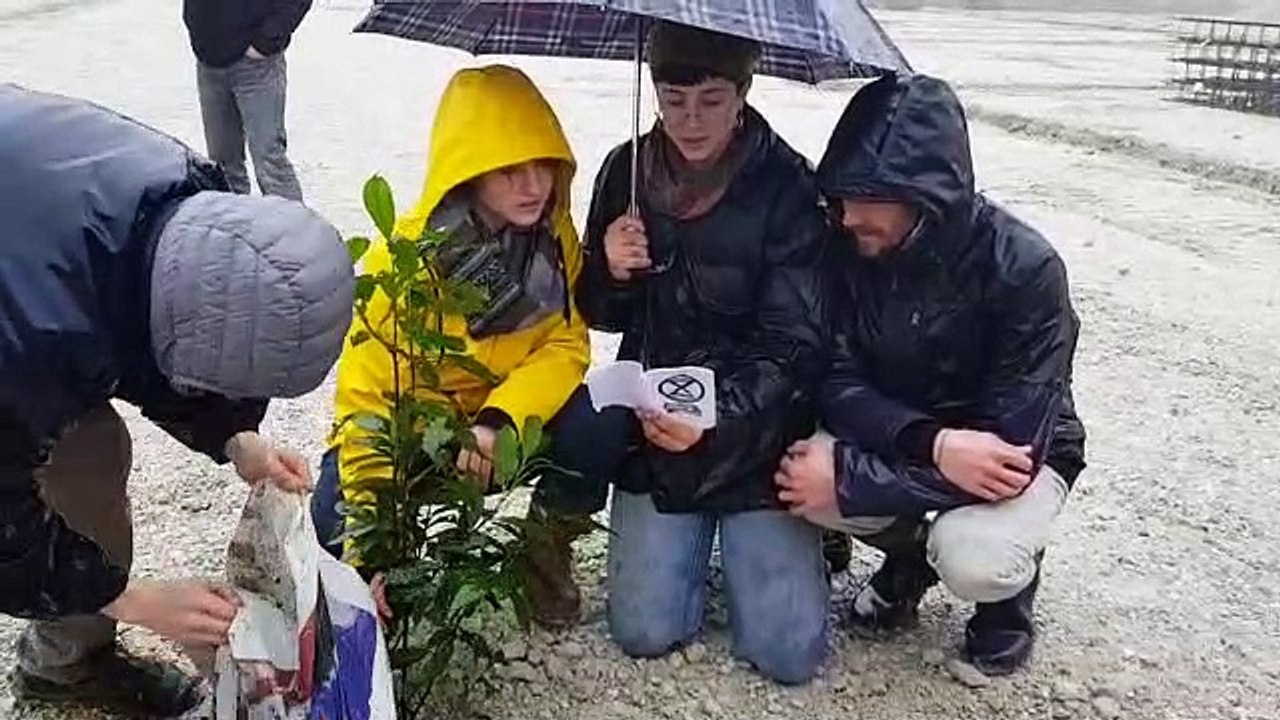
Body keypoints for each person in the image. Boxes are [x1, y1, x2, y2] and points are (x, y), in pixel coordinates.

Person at [0, 83, 354, 716]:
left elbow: (139, 321)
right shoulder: (30, 333)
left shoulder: (183, 204)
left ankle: (65, 657)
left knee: (90, 448)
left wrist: (235, 438)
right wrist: (132, 599)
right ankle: (66, 662)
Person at [774, 73, 1087, 676]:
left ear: (925, 194)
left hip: (1018, 451)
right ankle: (911, 562)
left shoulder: (1026, 268)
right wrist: (932, 444)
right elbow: (837, 380)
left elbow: (1014, 451)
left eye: (869, 196)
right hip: (913, 432)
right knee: (800, 474)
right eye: (842, 193)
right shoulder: (848, 246)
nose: (847, 215)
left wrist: (857, 479)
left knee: (973, 553)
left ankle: (1007, 599)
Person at [573, 23, 829, 685]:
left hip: (759, 436)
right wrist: (609, 268)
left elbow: (794, 346)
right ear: (653, 90)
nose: (690, 118)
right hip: (657, 432)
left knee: (787, 655)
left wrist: (717, 420)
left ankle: (796, 540)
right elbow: (601, 314)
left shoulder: (790, 184)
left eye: (711, 98)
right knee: (644, 631)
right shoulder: (623, 171)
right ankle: (693, 548)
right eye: (672, 95)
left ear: (743, 92)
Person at [312, 65, 601, 629]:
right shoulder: (403, 262)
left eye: (542, 163)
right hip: (424, 440)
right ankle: (378, 585)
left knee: (601, 423)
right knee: (333, 526)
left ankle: (543, 554)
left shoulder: (556, 238)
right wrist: (367, 552)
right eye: (510, 169)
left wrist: (498, 420)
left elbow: (566, 343)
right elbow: (367, 403)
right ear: (468, 170)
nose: (533, 184)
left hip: (505, 431)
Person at [183, 0, 310, 201]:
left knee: (269, 160)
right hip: (209, 62)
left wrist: (267, 40)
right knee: (223, 166)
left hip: (257, 66)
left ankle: (294, 230)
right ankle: (235, 229)